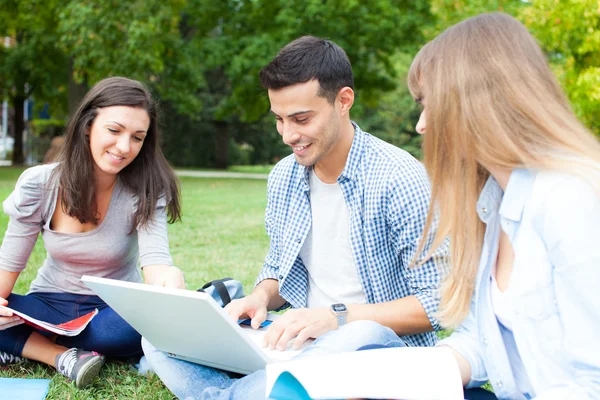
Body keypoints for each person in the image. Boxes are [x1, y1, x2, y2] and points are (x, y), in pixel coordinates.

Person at [142, 36, 447, 399]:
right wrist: (258, 298)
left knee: (358, 334)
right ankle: (272, 388)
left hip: (374, 346)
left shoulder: (401, 177)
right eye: (279, 120)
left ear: (343, 101)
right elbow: (282, 269)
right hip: (300, 339)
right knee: (158, 335)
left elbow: (439, 303)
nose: (288, 135)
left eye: (301, 118)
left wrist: (339, 317)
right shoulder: (284, 176)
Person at [401, 12, 599, 400]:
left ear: (475, 99)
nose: (421, 125)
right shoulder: (494, 203)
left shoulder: (569, 200)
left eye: (429, 103)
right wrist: (404, 374)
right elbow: (483, 340)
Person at [0, 77, 184, 388]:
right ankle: (60, 356)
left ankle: (27, 346)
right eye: (114, 131)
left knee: (124, 331)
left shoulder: (146, 189)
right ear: (88, 125)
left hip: (111, 311)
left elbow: (156, 263)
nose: (124, 147)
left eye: (137, 137)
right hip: (47, 305)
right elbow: (8, 266)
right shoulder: (39, 184)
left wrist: (170, 280)